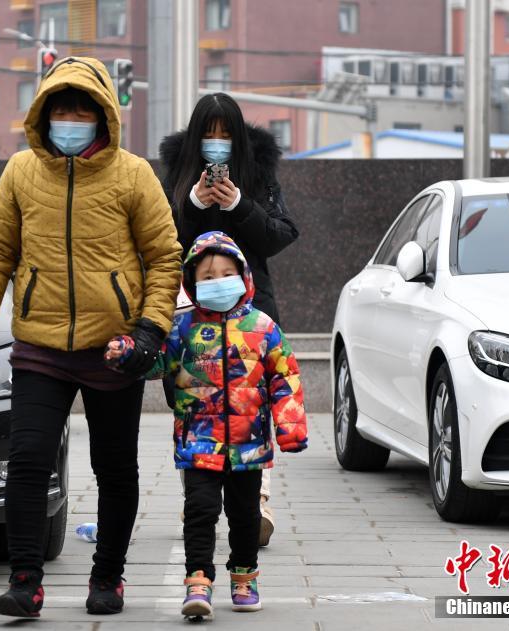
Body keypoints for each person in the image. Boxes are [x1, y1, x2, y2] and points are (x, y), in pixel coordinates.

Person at [0, 56, 182, 618]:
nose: (71, 119)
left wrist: (151, 331)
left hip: (114, 349)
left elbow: (164, 257)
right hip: (40, 345)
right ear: (43, 114)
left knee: (115, 468)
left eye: (83, 110)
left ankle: (108, 576)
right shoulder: (19, 172)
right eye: (61, 109)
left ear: (104, 116)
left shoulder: (134, 174)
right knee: (29, 458)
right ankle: (26, 581)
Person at [105, 231, 308, 618]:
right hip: (199, 442)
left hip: (249, 446)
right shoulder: (184, 329)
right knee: (199, 510)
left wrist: (290, 427)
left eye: (226, 273)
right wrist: (127, 353)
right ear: (192, 283)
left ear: (243, 276)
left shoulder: (263, 327)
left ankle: (244, 576)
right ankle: (198, 580)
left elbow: (285, 376)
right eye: (208, 276)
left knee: (245, 514)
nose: (218, 282)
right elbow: (156, 361)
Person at [159, 93, 299, 546]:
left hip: (250, 314)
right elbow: (160, 239)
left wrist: (240, 203)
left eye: (224, 134)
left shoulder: (258, 171)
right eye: (208, 133)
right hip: (187, 312)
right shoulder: (177, 173)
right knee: (192, 401)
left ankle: (256, 501)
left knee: (249, 401)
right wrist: (194, 208)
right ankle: (196, 498)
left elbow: (280, 234)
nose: (216, 143)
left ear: (236, 137)